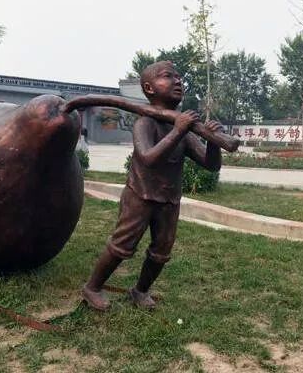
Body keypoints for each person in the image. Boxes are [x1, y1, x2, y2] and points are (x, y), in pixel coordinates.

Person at [81, 61, 222, 310]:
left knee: (162, 250)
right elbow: (147, 158)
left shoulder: (182, 128)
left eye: (179, 77)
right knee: (122, 246)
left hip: (169, 199)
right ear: (149, 88)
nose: (178, 81)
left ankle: (140, 291)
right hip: (141, 195)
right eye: (168, 76)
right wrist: (178, 130)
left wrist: (214, 142)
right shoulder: (145, 123)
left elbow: (211, 165)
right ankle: (92, 287)